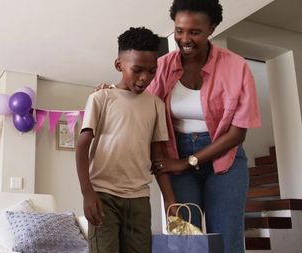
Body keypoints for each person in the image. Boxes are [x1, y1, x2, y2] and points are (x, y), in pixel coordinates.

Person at [146, 0, 261, 252]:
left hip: (225, 158)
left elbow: (238, 132)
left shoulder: (237, 67)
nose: (184, 39)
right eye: (179, 30)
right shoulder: (162, 67)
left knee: (227, 240)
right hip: (176, 154)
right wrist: (111, 92)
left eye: (194, 32)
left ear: (212, 28)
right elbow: (144, 113)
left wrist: (189, 161)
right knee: (187, 242)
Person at [76, 27, 176, 253]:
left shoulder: (156, 105)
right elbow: (82, 147)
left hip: (139, 199)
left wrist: (170, 201)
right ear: (119, 65)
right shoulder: (101, 98)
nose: (145, 78)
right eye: (137, 70)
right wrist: (87, 193)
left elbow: (159, 158)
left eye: (152, 71)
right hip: (103, 197)